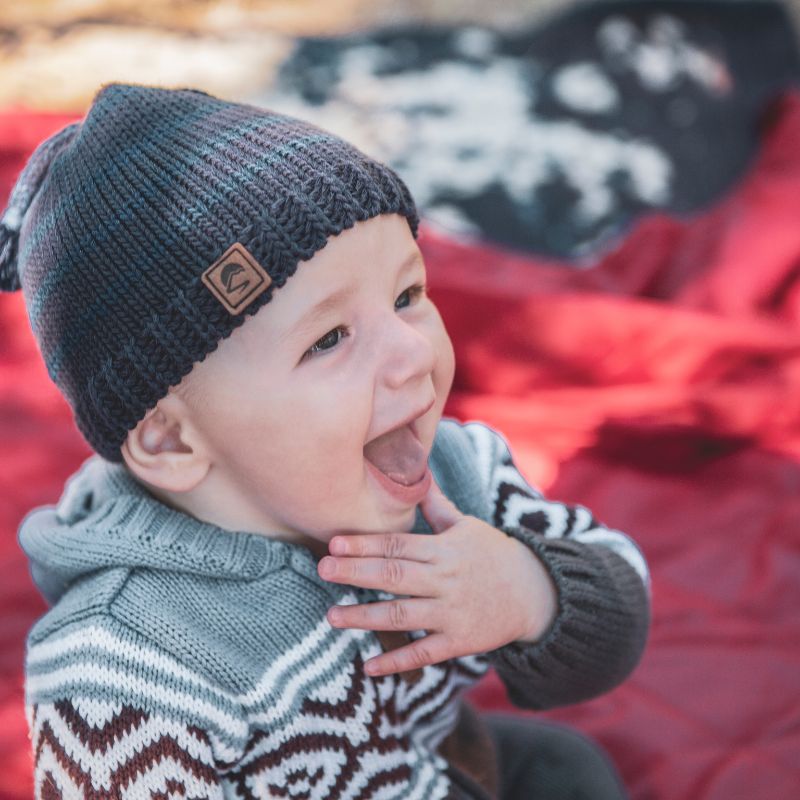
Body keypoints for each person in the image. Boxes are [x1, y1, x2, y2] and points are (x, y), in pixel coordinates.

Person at [0, 82, 650, 799]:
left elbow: (619, 610)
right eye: (330, 339)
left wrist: (529, 591)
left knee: (565, 769)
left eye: (407, 296)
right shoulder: (122, 666)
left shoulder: (456, 481)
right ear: (172, 442)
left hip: (437, 764)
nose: (410, 352)